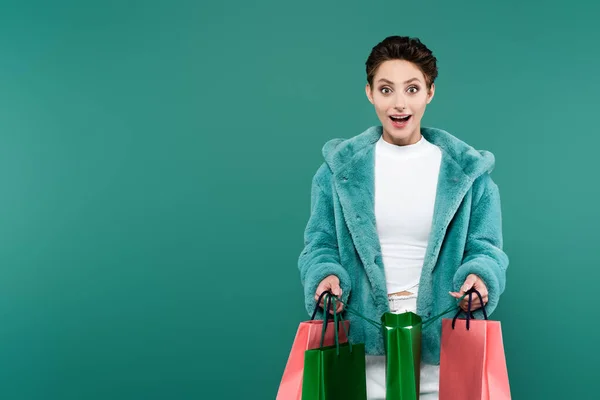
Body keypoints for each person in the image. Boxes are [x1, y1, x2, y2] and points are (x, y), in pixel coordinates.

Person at [297, 35, 509, 399]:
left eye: (412, 89)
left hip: (444, 349)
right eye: (386, 89)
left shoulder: (468, 173)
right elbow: (320, 244)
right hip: (360, 349)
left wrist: (480, 277)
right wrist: (325, 275)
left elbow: (485, 249)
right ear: (369, 93)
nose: (399, 103)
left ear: (430, 92)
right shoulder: (337, 171)